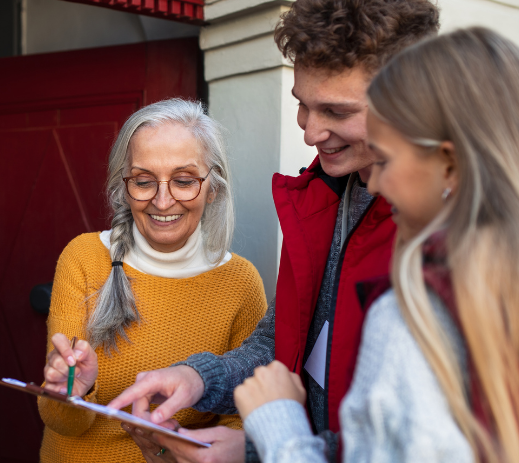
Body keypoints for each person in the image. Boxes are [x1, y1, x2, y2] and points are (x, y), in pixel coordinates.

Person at [235, 27, 519, 463]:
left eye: (385, 159)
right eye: (302, 106)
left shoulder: (412, 307)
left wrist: (275, 428)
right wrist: (207, 378)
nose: (310, 132)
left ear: (449, 163)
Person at [109, 1, 439, 461]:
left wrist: (261, 449)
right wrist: (198, 379)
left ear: (406, 101)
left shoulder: (441, 232)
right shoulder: (321, 196)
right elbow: (282, 344)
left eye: (337, 112)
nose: (311, 132)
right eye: (303, 106)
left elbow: (418, 441)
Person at [38, 98, 268, 463]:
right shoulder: (83, 258)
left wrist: (171, 447)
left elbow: (242, 420)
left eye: (183, 180)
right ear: (123, 188)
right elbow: (60, 420)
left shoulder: (240, 283)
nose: (162, 201)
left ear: (213, 189)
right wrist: (73, 392)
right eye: (144, 181)